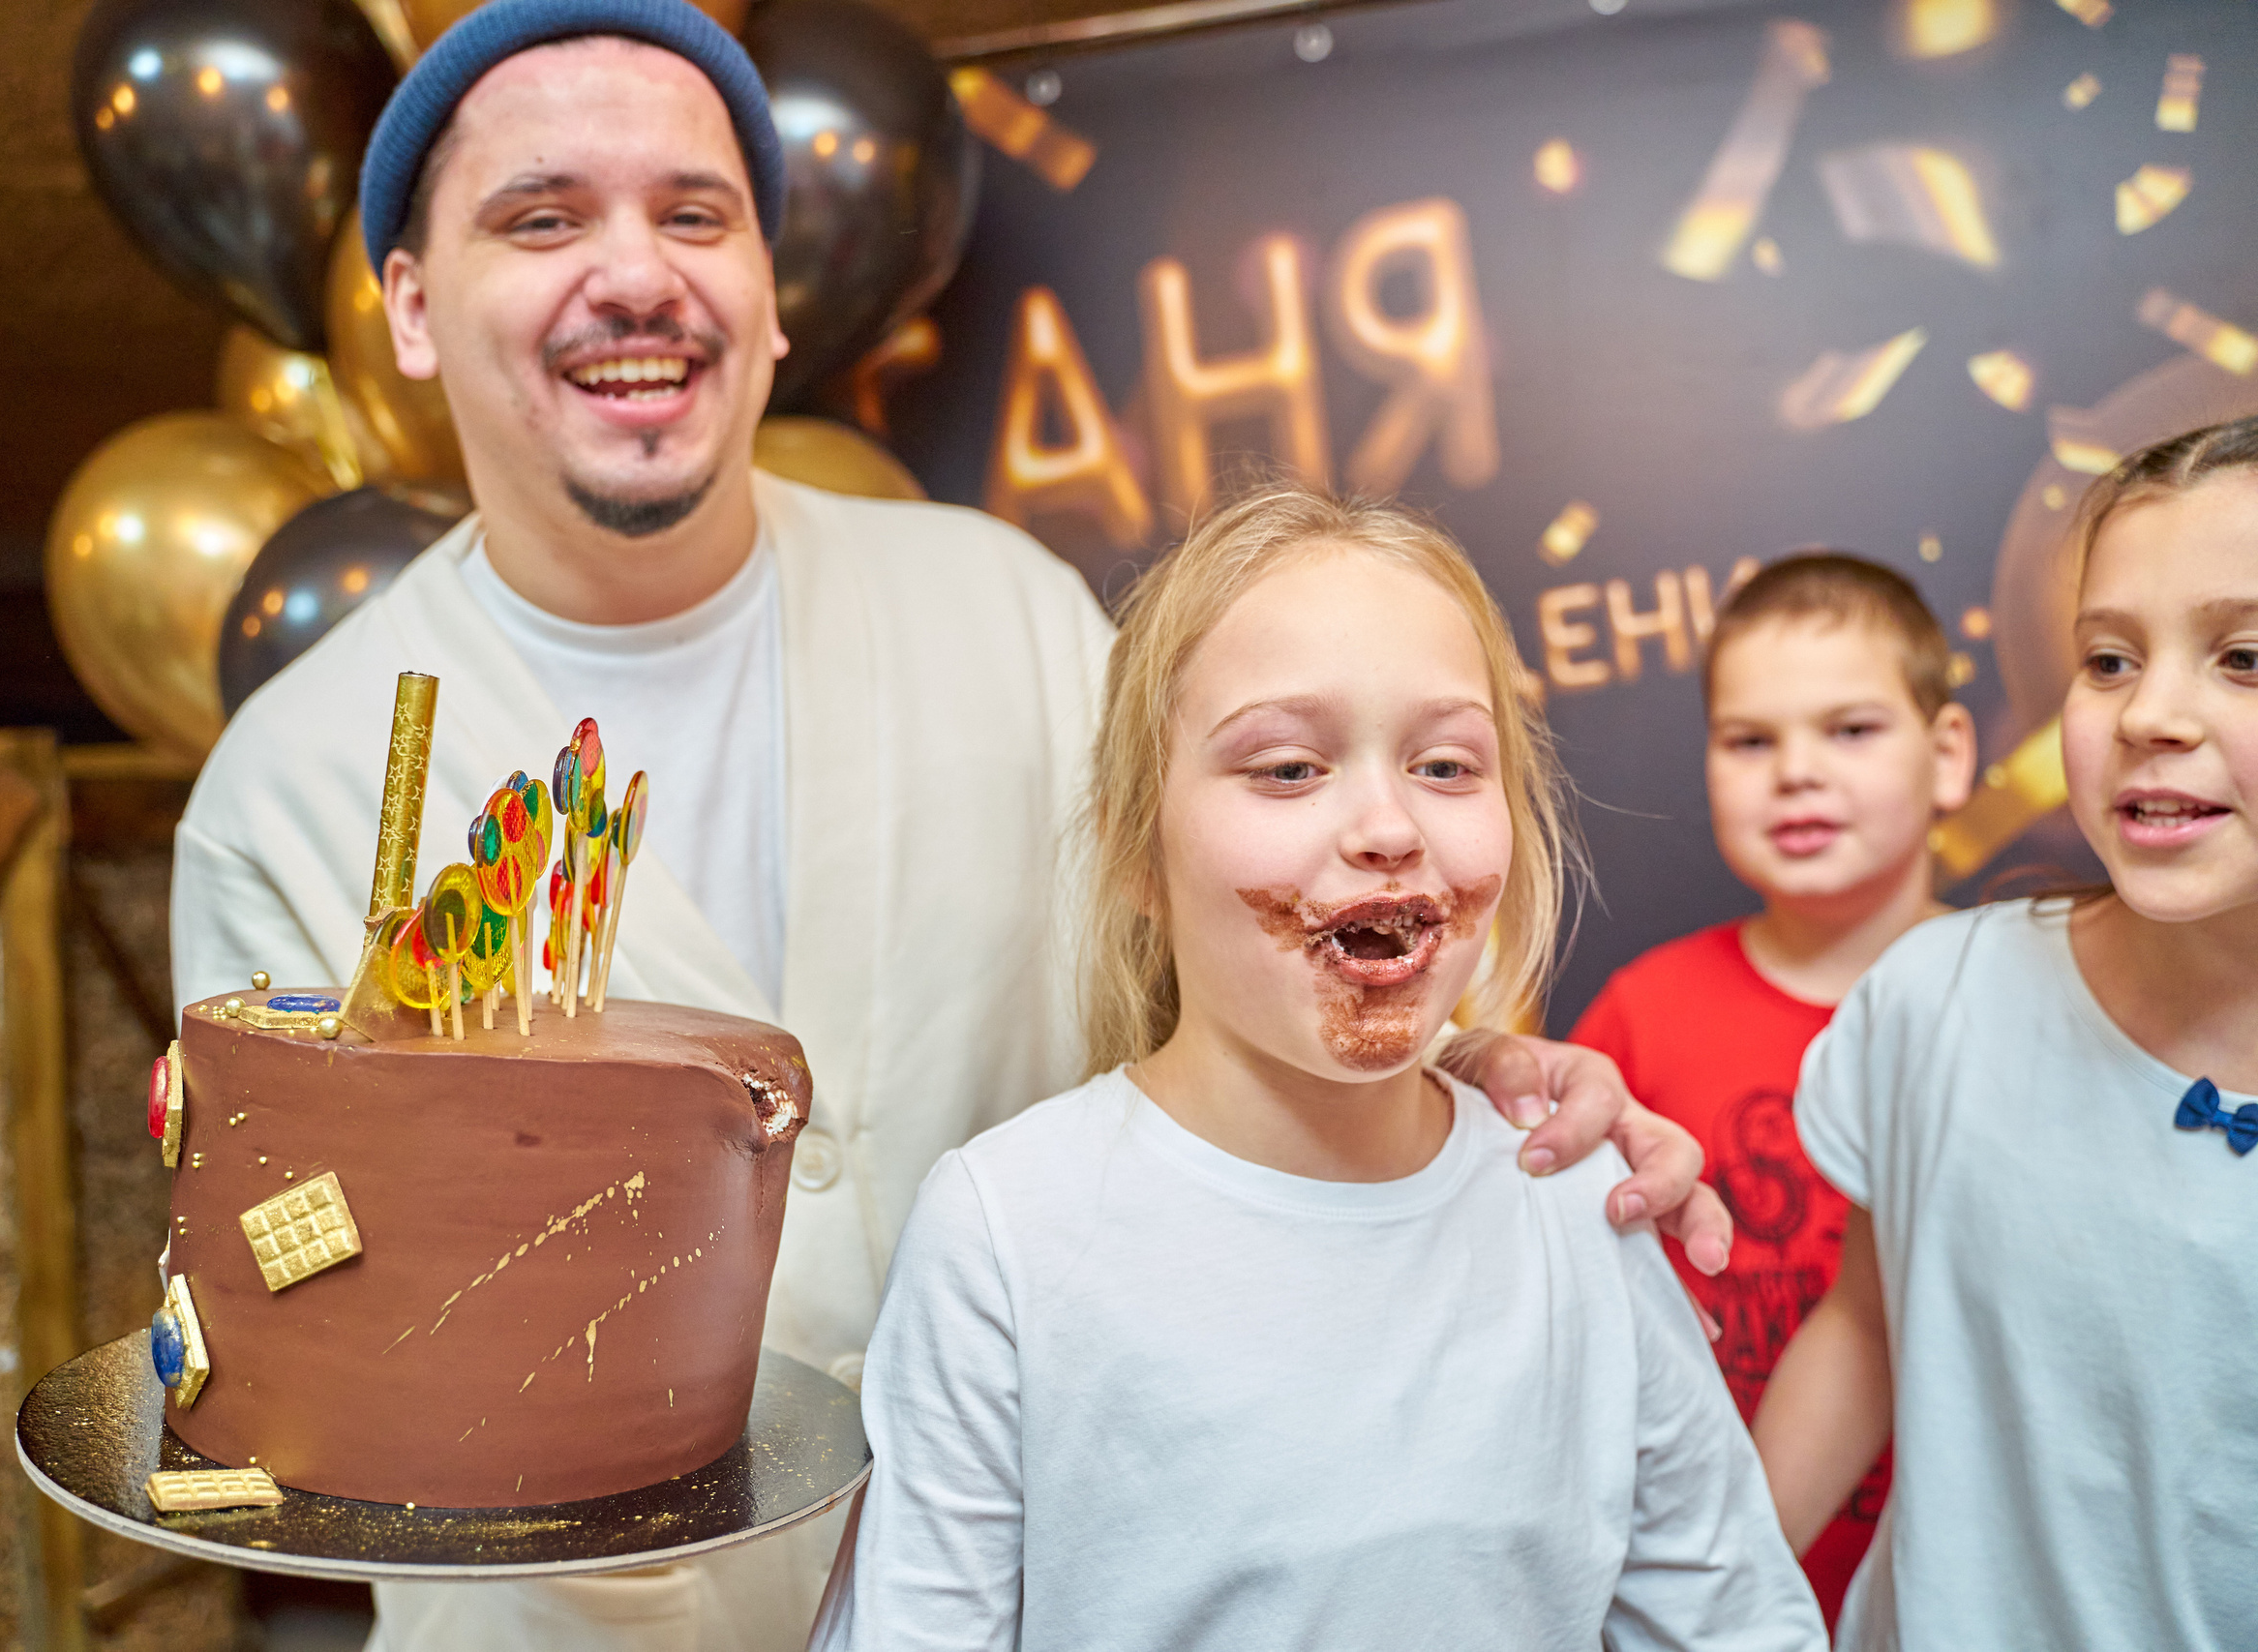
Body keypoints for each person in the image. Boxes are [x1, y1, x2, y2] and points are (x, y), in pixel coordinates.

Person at [168, 4, 1730, 1645]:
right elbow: (314, 1342)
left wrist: (1465, 1071)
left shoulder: (1011, 613)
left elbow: (1227, 983)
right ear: (409, 307)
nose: (636, 274)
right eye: (541, 217)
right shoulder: (299, 788)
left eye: (695, 214)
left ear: (773, 300)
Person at [808, 488, 1822, 1650]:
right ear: (1139, 848)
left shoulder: (1583, 1206)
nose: (1387, 825)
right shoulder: (1006, 1235)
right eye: (1288, 769)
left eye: (1445, 766)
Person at [1753, 415, 2258, 1650]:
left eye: (2243, 656)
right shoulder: (1936, 1004)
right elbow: (1865, 1332)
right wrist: (1706, 1597)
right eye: (2107, 660)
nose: (2152, 714)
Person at [1567, 553, 1975, 1622]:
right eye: (1750, 740)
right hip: (1708, 1601)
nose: (1795, 771)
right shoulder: (1641, 1017)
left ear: (1947, 757)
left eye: (1849, 731)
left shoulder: (2020, 1000)